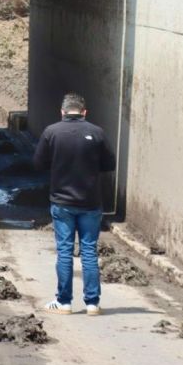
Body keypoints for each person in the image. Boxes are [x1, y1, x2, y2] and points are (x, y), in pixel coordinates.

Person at [34, 92, 116, 315]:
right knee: (89, 251)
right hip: (91, 202)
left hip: (62, 201)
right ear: (84, 112)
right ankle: (92, 303)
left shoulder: (52, 132)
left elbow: (38, 162)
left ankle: (64, 302)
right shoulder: (96, 133)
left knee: (65, 250)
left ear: (62, 112)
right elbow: (110, 164)